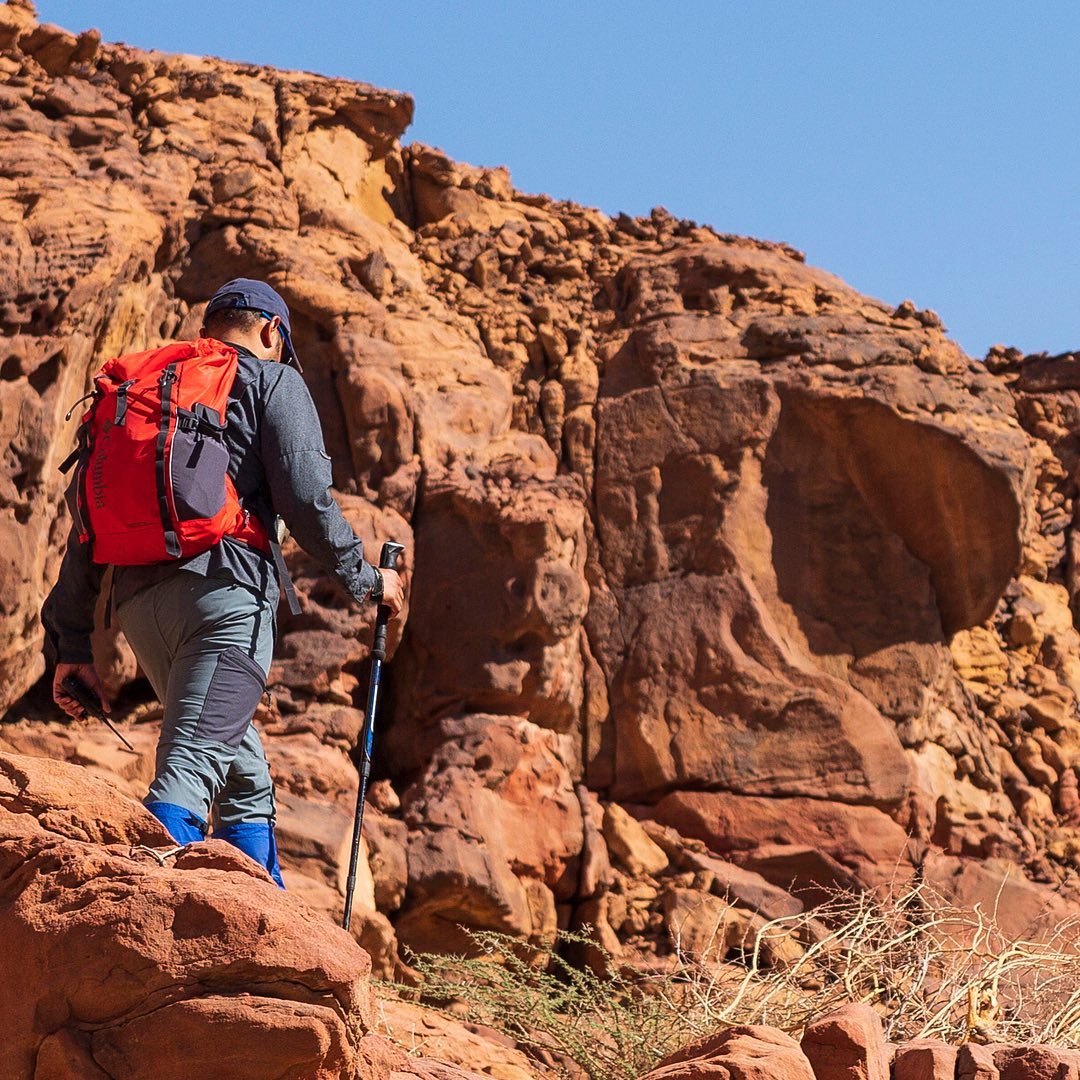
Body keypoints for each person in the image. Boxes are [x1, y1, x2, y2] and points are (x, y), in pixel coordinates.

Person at [41, 278, 404, 888]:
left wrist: (70, 647)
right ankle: (140, 912)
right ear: (271, 331)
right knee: (190, 762)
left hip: (138, 609)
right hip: (226, 597)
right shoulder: (271, 379)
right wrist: (369, 581)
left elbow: (88, 528)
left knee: (244, 774)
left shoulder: (148, 393)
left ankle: (261, 918)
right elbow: (307, 499)